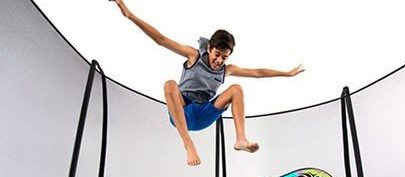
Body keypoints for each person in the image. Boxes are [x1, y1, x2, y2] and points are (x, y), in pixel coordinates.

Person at [111, 0, 304, 166]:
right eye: (217, 54)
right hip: (182, 111)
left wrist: (286, 74)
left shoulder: (225, 70)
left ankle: (240, 139)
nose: (219, 60)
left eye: (224, 57)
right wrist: (128, 14)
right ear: (209, 48)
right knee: (170, 84)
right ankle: (188, 144)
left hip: (204, 113)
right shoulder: (193, 55)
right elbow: (161, 39)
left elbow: (257, 72)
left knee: (236, 89)